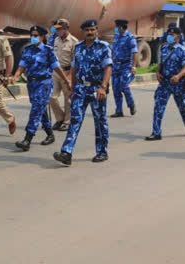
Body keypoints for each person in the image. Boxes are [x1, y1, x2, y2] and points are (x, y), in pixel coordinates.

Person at [53, 19, 112, 166]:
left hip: (96, 89)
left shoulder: (103, 47)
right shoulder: (78, 47)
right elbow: (73, 68)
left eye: (92, 30)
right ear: (83, 32)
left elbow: (108, 67)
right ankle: (66, 152)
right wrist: (72, 87)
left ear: (96, 31)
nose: (90, 32)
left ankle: (102, 151)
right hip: (80, 88)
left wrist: (103, 87)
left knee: (100, 121)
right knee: (75, 120)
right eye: (87, 30)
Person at [12, 25, 69, 151]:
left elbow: (56, 67)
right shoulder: (27, 50)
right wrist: (16, 75)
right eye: (31, 35)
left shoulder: (48, 51)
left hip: (44, 84)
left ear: (42, 37)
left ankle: (27, 139)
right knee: (41, 110)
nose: (33, 37)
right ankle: (50, 134)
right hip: (31, 84)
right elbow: (22, 65)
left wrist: (66, 80)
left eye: (36, 35)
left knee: (36, 109)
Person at [145, 26, 185, 141]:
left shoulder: (183, 50)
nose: (169, 36)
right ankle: (156, 132)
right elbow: (160, 63)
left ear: (178, 37)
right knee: (158, 106)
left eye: (172, 35)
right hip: (165, 82)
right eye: (168, 34)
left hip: (178, 82)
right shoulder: (163, 49)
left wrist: (178, 76)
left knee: (183, 106)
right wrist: (158, 72)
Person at [49, 18, 78, 131]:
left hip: (68, 72)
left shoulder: (74, 41)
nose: (58, 31)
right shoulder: (56, 40)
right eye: (57, 29)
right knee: (51, 97)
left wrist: (70, 77)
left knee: (68, 98)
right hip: (56, 72)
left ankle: (67, 121)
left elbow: (75, 61)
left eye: (60, 29)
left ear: (66, 28)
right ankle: (60, 118)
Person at [110, 19, 138, 118]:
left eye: (117, 27)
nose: (115, 29)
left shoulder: (130, 38)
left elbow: (134, 52)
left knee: (124, 86)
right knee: (115, 88)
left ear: (121, 27)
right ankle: (119, 110)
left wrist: (133, 66)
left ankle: (131, 104)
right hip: (115, 66)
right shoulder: (116, 37)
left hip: (125, 66)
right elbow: (112, 50)